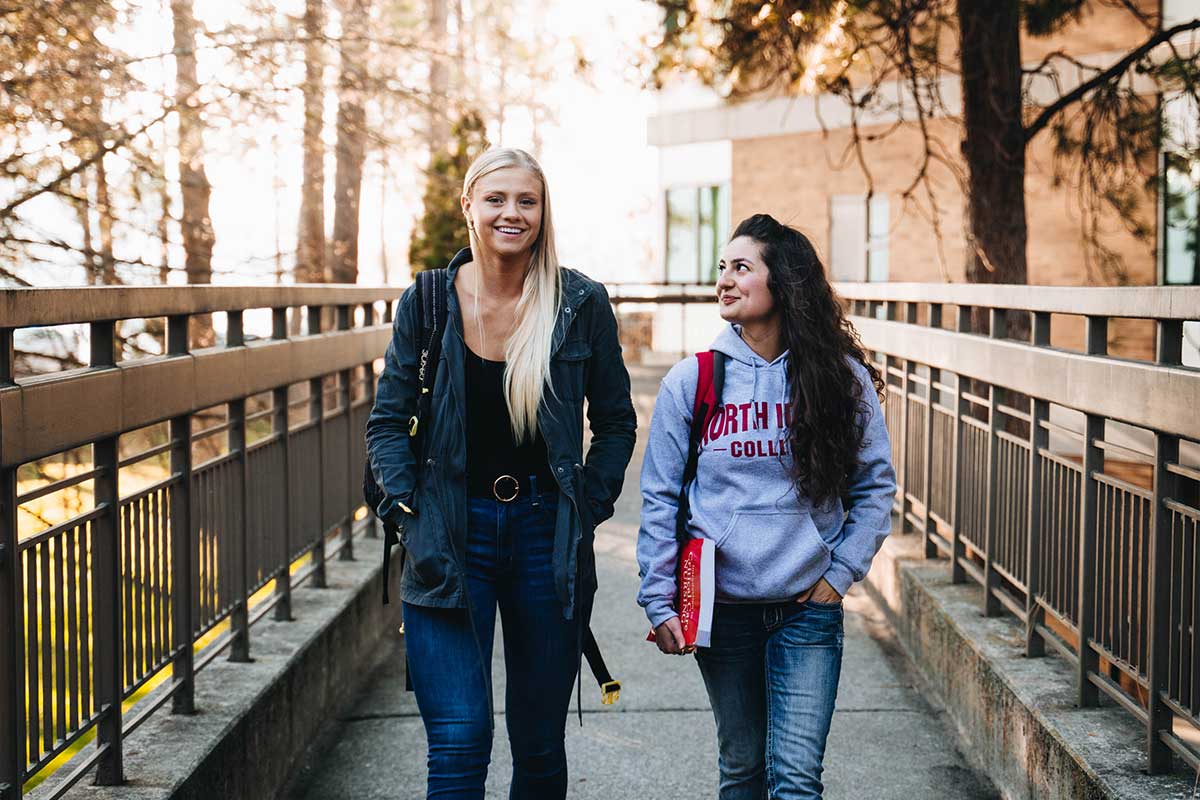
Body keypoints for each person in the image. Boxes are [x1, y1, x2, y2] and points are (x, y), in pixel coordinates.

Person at [366, 147, 636, 799]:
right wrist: (411, 511)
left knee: (539, 743)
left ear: (543, 214)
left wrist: (584, 505)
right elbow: (386, 422)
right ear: (469, 206)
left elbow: (617, 423)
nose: (511, 213)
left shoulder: (579, 303)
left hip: (547, 536)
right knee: (460, 741)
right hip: (450, 536)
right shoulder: (428, 302)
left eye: (527, 201)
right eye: (496, 199)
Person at [636, 213, 896, 799]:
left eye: (741, 268)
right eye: (721, 268)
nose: (724, 281)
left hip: (808, 608)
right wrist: (658, 599)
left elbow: (876, 486)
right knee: (743, 773)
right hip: (723, 612)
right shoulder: (693, 380)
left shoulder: (839, 380)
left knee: (798, 781)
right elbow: (659, 496)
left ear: (783, 282)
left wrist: (839, 575)